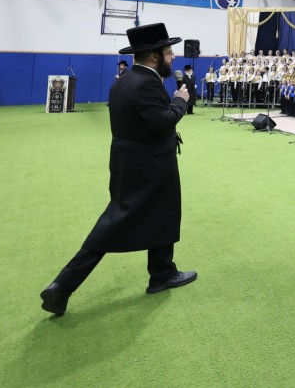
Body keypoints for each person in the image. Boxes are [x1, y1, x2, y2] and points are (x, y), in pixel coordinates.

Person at [40, 23, 196, 317]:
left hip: (129, 160)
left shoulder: (125, 80)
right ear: (154, 57)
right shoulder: (147, 84)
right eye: (168, 52)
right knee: (116, 224)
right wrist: (180, 101)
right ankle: (63, 285)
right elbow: (162, 123)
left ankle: (162, 273)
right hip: (151, 163)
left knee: (156, 213)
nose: (173, 57)